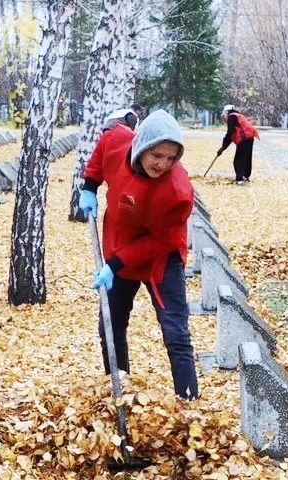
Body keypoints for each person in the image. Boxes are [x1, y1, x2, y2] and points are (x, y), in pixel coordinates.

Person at [78, 110, 198, 400]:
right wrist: (90, 186)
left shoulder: (178, 191)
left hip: (160, 259)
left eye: (171, 158)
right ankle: (121, 392)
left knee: (176, 333)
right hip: (119, 247)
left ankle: (189, 404)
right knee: (111, 325)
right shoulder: (119, 141)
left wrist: (115, 264)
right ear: (142, 146)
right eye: (157, 155)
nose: (163, 164)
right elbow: (103, 147)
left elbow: (161, 239)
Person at [216, 104, 258, 185]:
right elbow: (231, 136)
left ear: (226, 112)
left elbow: (229, 134)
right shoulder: (238, 116)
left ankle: (240, 179)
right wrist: (223, 148)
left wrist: (222, 148)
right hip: (250, 138)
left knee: (238, 160)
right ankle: (246, 176)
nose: (224, 117)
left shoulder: (231, 117)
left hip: (244, 139)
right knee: (246, 158)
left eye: (224, 114)